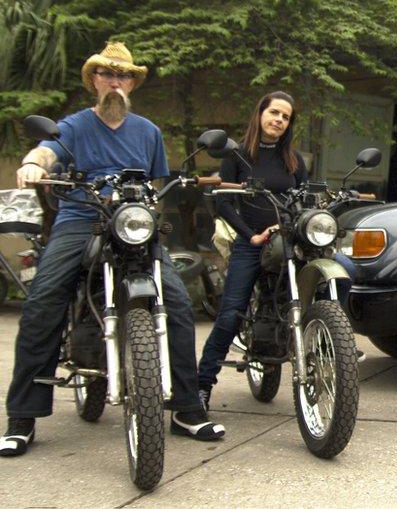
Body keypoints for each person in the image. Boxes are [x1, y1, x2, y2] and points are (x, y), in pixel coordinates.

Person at [1, 42, 224, 457]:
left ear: (131, 84)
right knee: (44, 300)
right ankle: (22, 418)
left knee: (176, 303)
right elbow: (46, 150)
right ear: (95, 82)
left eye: (123, 76)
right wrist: (34, 163)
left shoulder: (148, 131)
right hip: (81, 219)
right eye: (108, 75)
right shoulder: (74, 126)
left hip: (134, 222)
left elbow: (158, 186)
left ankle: (187, 409)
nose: (116, 81)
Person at [195, 91, 356, 409]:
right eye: (274, 113)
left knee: (345, 273)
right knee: (230, 315)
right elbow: (224, 202)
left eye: (286, 116)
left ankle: (334, 338)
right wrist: (252, 235)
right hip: (252, 244)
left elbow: (306, 199)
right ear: (260, 114)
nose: (279, 120)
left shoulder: (294, 160)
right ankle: (201, 387)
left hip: (290, 241)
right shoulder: (237, 156)